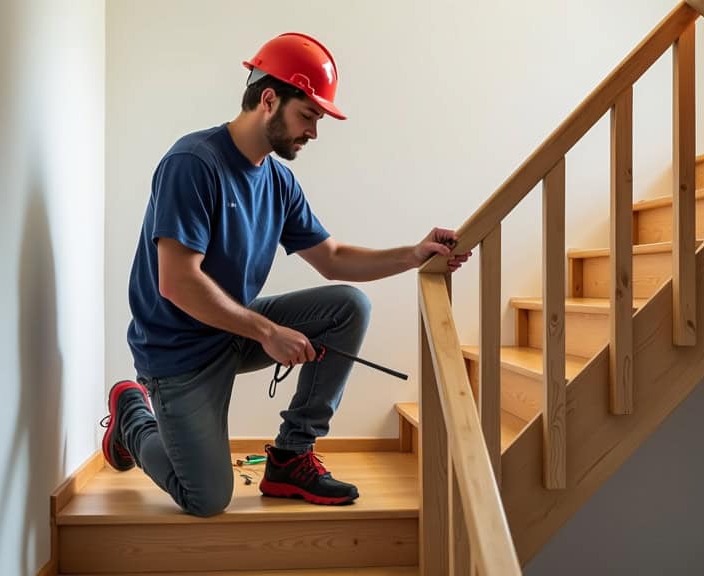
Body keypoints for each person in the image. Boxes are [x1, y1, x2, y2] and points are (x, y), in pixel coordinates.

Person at [100, 32, 470, 517]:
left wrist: (413, 254)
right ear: (269, 99)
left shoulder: (277, 181)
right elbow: (177, 282)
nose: (313, 133)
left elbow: (333, 257)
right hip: (178, 353)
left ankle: (292, 456)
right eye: (308, 116)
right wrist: (268, 331)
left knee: (347, 306)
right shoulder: (193, 164)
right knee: (207, 498)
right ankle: (132, 417)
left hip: (231, 331)